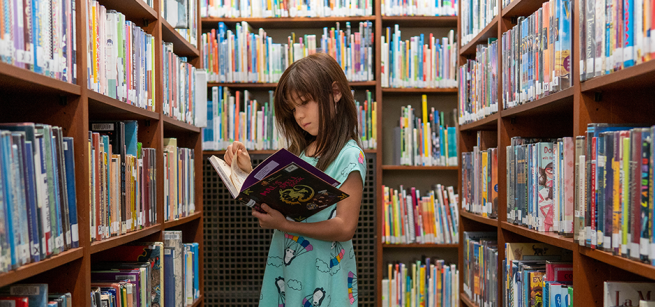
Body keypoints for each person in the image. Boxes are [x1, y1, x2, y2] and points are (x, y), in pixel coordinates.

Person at [224, 52, 366, 306]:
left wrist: (287, 225)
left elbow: (345, 227)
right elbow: (276, 204)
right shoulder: (299, 152)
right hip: (287, 268)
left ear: (335, 93)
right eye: (293, 109)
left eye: (305, 103)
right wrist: (244, 174)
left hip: (323, 273)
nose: (299, 116)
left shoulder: (350, 156)